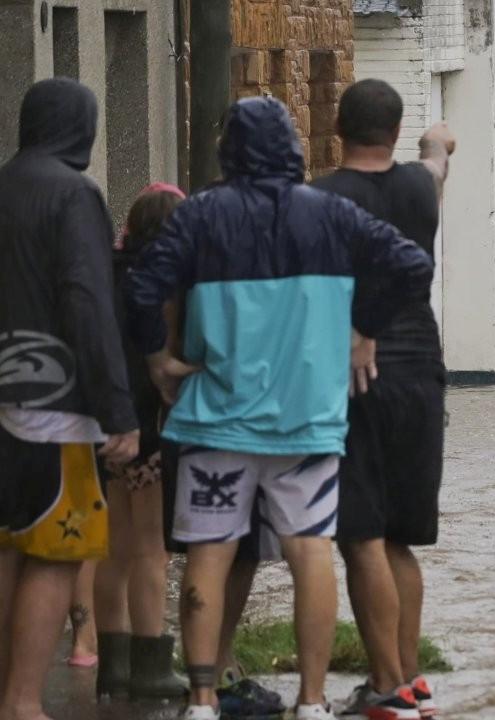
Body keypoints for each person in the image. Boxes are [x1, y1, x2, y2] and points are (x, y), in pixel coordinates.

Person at [126, 96, 433, 720]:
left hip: (216, 418)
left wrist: (158, 360)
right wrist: (365, 327)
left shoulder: (201, 216)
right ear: (293, 148)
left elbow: (139, 284)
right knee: (310, 552)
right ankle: (313, 701)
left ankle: (204, 699)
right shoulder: (333, 214)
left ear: (228, 152)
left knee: (209, 555)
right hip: (308, 421)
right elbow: (412, 264)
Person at [310, 78, 453, 720]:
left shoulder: (318, 199)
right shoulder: (422, 187)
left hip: (353, 369)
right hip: (421, 366)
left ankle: (385, 686)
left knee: (361, 533)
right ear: (394, 133)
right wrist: (436, 138)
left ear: (338, 129)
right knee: (400, 538)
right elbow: (438, 152)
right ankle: (411, 679)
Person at [0, 78, 140, 720]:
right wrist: (118, 411)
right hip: (54, 408)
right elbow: (88, 303)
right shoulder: (75, 195)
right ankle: (24, 702)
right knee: (56, 551)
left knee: (5, 546)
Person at [93, 184, 190, 700]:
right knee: (152, 551)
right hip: (149, 427)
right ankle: (152, 665)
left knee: (113, 550)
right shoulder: (167, 282)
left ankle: (112, 669)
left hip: (106, 423)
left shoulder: (108, 272)